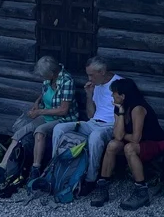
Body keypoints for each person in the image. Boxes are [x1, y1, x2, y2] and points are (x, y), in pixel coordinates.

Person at [0, 56, 77, 187]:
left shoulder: (66, 81)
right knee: (20, 132)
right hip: (47, 116)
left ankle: (35, 170)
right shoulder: (49, 80)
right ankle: (1, 169)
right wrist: (37, 103)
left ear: (52, 73)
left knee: (40, 131)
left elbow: (63, 110)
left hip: (63, 119)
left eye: (44, 76)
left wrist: (39, 112)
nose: (43, 78)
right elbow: (44, 93)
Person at [90, 78, 164, 210]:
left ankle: (141, 190)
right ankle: (103, 186)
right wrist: (120, 113)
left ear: (123, 96)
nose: (112, 95)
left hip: (154, 142)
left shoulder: (138, 108)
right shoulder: (119, 108)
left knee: (129, 148)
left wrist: (122, 135)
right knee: (112, 145)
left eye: (114, 93)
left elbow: (136, 138)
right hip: (134, 141)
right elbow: (117, 136)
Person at [50, 57, 122, 190]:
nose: (89, 78)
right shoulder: (96, 85)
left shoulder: (120, 84)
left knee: (95, 136)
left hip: (111, 125)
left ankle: (90, 179)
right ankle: (54, 168)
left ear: (102, 71)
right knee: (59, 128)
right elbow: (90, 115)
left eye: (91, 75)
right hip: (93, 123)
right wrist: (89, 95)